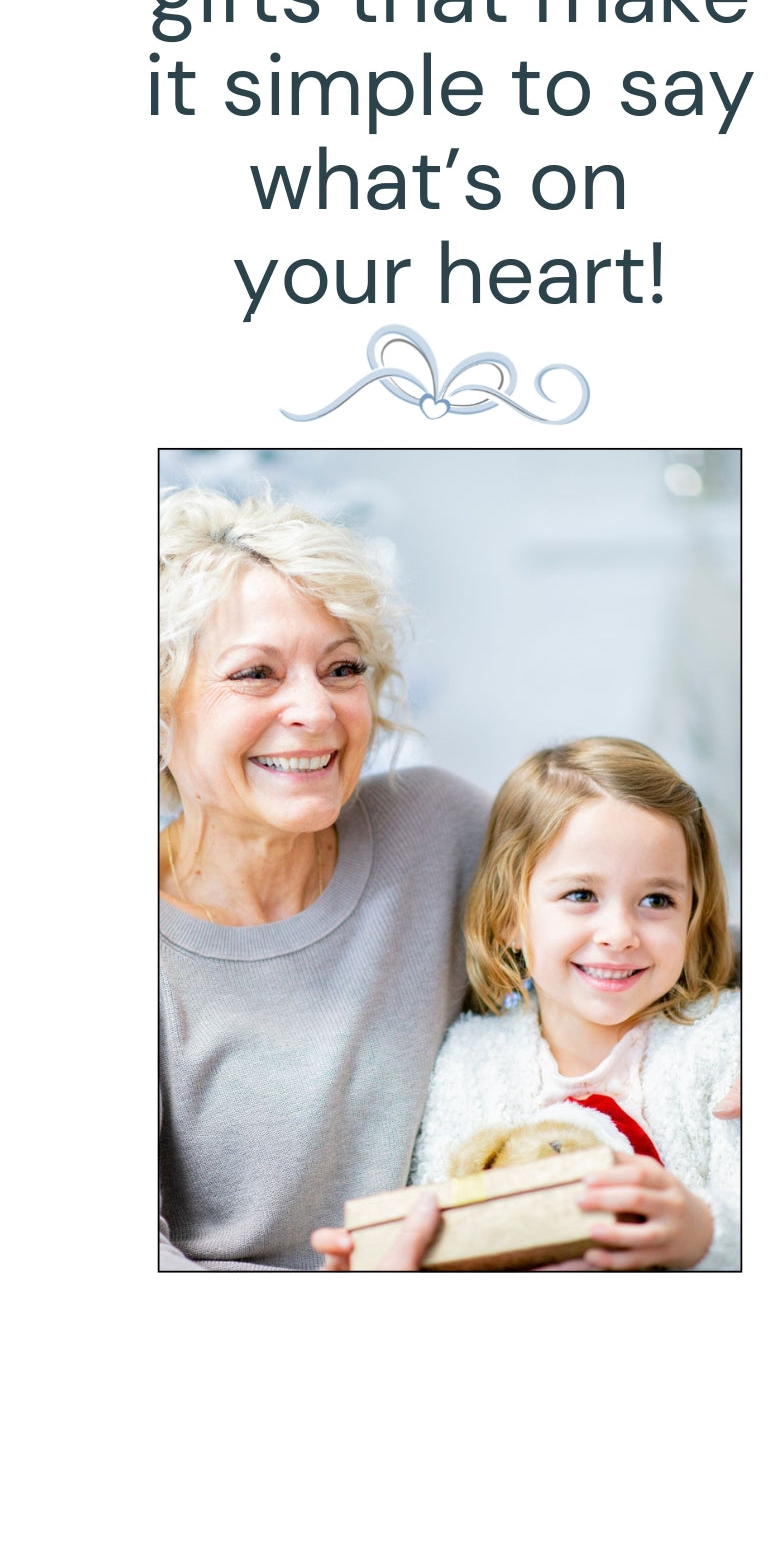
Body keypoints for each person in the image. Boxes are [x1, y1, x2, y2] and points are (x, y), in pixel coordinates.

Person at [159, 485, 490, 1270]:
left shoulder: (438, 827)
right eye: (255, 675)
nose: (315, 709)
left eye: (342, 669)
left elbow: (664, 932)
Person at [317, 738, 740, 1271]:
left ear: (693, 915)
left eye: (657, 900)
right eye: (581, 895)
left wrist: (704, 1235)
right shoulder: (471, 1063)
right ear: (508, 917)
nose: (619, 933)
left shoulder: (726, 1050)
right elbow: (447, 1217)